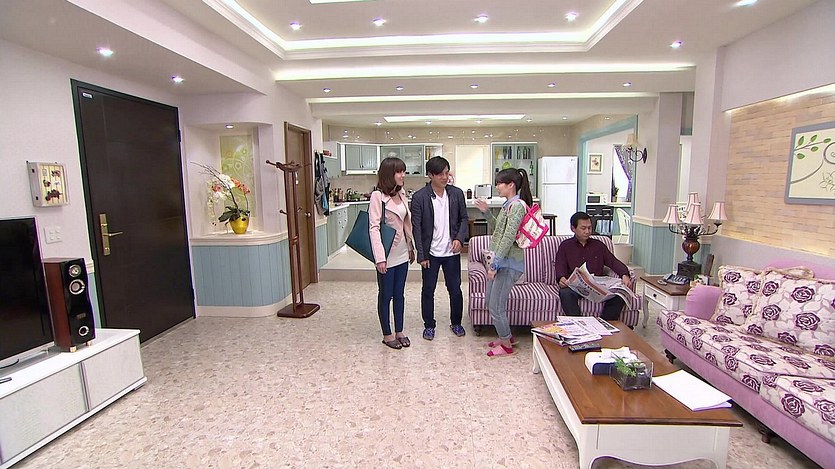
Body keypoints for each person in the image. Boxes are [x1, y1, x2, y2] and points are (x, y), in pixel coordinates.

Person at [474, 168, 533, 357]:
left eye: (500, 183)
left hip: (508, 264)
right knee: (490, 301)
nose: (497, 187)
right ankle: (505, 336)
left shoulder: (517, 206)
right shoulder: (508, 205)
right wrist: (486, 212)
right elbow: (498, 229)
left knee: (496, 306)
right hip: (500, 261)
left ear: (511, 185)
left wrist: (494, 264)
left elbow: (508, 238)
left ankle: (506, 344)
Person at [410, 157, 468, 341]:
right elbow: (416, 228)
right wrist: (421, 254)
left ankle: (456, 323)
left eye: (446, 173)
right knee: (428, 290)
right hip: (431, 253)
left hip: (451, 252)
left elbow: (464, 219)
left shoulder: (456, 194)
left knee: (455, 289)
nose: (445, 177)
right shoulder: (420, 197)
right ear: (430, 175)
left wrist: (459, 238)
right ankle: (429, 325)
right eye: (440, 174)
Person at [369, 157, 416, 350]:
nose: (403, 175)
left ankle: (399, 331)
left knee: (399, 294)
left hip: (402, 252)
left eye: (403, 171)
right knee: (386, 295)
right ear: (389, 174)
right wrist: (380, 258)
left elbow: (406, 225)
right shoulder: (377, 197)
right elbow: (374, 228)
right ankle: (387, 334)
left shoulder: (401, 194)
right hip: (387, 255)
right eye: (399, 172)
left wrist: (411, 248)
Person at [555, 212, 633, 321]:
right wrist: (561, 279)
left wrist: (624, 274)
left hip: (597, 285)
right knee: (565, 293)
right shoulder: (565, 246)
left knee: (620, 295)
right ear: (573, 228)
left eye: (589, 228)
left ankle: (604, 324)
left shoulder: (598, 245)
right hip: (575, 287)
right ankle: (578, 324)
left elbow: (613, 262)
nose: (587, 231)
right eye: (583, 228)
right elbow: (560, 266)